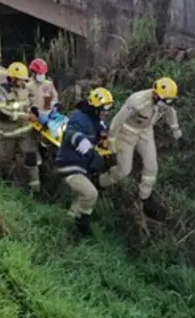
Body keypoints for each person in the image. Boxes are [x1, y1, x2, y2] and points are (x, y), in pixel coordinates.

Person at [104, 77, 182, 221]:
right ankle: (100, 182)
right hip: (126, 133)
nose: (167, 105)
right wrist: (112, 145)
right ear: (155, 95)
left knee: (151, 166)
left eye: (170, 101)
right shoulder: (137, 101)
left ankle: (145, 198)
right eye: (166, 101)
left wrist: (177, 133)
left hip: (145, 132)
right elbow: (117, 121)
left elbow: (171, 114)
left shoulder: (165, 103)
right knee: (124, 171)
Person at [55, 87, 116, 236]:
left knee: (81, 198)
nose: (106, 113)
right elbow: (70, 132)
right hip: (69, 165)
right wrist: (80, 139)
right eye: (103, 110)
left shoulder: (97, 123)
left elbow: (98, 145)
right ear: (95, 108)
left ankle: (68, 225)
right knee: (90, 193)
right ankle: (82, 223)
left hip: (83, 167)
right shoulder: (79, 117)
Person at [0, 62, 41, 192]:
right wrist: (24, 116)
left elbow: (32, 102)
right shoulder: (1, 92)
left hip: (25, 133)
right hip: (7, 134)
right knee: (5, 161)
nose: (23, 82)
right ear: (13, 78)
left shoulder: (25, 88)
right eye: (21, 80)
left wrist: (35, 111)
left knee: (32, 159)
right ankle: (6, 187)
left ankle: (36, 190)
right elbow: (2, 113)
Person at [26, 58, 60, 124]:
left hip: (49, 112)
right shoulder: (27, 86)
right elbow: (25, 101)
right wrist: (34, 109)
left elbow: (54, 96)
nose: (42, 76)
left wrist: (55, 103)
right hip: (35, 116)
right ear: (33, 73)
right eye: (40, 74)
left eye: (43, 73)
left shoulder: (49, 84)